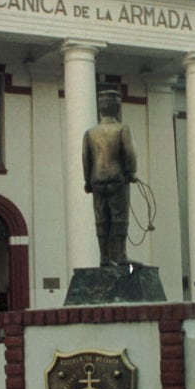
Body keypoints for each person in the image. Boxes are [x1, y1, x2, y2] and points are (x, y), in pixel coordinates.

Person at [82, 90, 138, 266]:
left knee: (101, 219)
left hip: (96, 180)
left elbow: (85, 158)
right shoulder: (122, 129)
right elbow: (130, 152)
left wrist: (87, 181)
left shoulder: (90, 133)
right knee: (119, 217)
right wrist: (131, 172)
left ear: (100, 109)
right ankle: (120, 255)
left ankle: (104, 257)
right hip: (117, 180)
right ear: (117, 108)